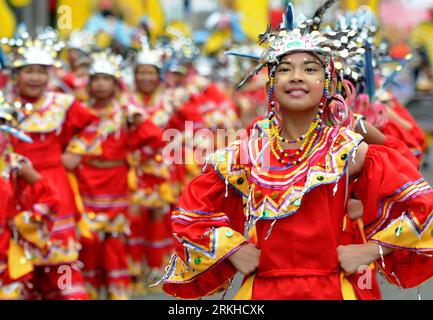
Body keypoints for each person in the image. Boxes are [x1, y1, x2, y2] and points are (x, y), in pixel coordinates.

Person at [161, 2, 433, 300]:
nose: (297, 76)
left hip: (330, 289)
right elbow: (190, 212)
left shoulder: (348, 149)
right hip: (261, 291)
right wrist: (232, 250)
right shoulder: (247, 152)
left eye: (310, 69)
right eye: (285, 69)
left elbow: (422, 207)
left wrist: (370, 249)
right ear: (271, 83)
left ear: (327, 82)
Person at [2, 30, 96, 300]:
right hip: (15, 187)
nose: (35, 78)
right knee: (19, 259)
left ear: (50, 75)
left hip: (54, 184)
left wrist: (75, 152)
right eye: (28, 71)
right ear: (16, 74)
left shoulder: (62, 103)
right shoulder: (4, 105)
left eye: (41, 71)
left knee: (59, 258)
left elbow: (94, 124)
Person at [63, 50, 164, 300]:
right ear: (89, 83)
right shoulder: (79, 109)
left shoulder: (124, 112)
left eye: (106, 79)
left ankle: (117, 291)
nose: (100, 84)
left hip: (116, 181)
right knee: (88, 240)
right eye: (96, 78)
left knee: (115, 240)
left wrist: (138, 124)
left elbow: (154, 138)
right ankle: (89, 289)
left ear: (115, 83)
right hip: (85, 181)